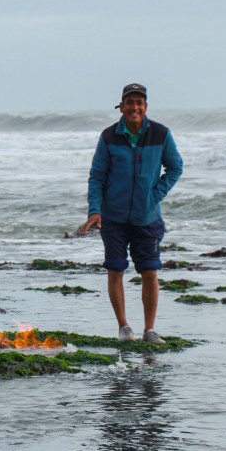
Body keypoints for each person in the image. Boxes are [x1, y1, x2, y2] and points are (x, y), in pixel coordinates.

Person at [79, 83, 183, 344]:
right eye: (129, 102)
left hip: (147, 218)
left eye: (139, 102)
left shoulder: (160, 134)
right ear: (121, 106)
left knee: (149, 271)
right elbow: (97, 177)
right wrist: (95, 210)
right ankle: (124, 328)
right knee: (115, 270)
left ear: (145, 106)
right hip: (113, 218)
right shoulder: (109, 136)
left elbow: (175, 167)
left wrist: (154, 196)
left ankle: (149, 330)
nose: (134, 106)